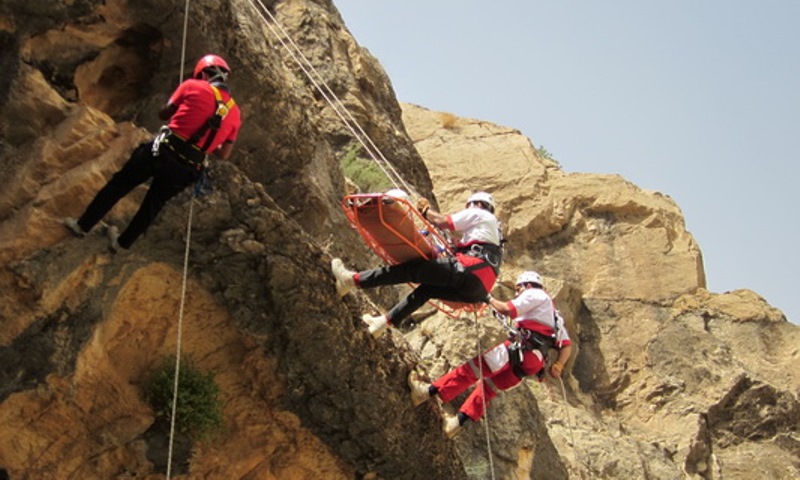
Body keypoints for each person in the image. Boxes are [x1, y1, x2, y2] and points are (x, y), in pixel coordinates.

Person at [64, 54, 243, 251]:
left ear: (203, 73)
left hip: (163, 151)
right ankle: (123, 244)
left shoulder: (192, 85)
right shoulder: (234, 113)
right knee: (153, 205)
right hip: (188, 167)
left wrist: (185, 113)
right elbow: (223, 154)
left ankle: (83, 226)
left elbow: (163, 114)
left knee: (120, 184)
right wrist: (206, 140)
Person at [407, 271, 572, 437]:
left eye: (518, 289)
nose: (517, 293)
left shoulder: (535, 294)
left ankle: (425, 392)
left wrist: (488, 298)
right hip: (532, 363)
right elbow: (566, 345)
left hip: (520, 349)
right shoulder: (555, 316)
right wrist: (559, 365)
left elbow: (508, 309)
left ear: (528, 285)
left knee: (472, 369)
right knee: (489, 387)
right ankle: (455, 424)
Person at [332, 191, 503, 337]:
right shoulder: (492, 232)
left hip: (470, 269)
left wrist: (426, 211)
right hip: (477, 289)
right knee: (426, 290)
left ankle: (352, 280)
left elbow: (444, 222)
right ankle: (382, 324)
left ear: (478, 203)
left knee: (411, 270)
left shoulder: (481, 214)